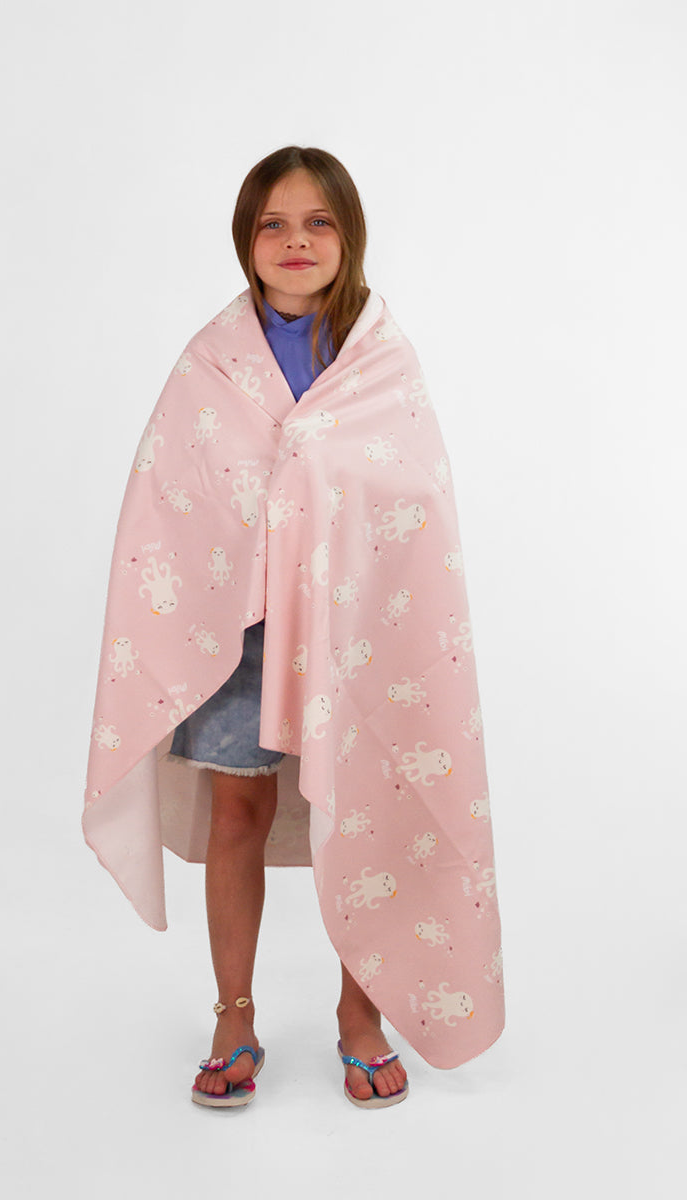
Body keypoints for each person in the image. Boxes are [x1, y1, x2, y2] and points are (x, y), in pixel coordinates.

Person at [83, 145, 505, 1112]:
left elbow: (412, 500)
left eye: (318, 222)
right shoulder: (211, 363)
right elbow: (170, 498)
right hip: (240, 632)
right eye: (273, 223)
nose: (296, 241)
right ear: (247, 239)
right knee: (239, 812)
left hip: (360, 629)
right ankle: (234, 1015)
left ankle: (363, 1014)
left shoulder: (378, 360)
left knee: (369, 813)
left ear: (349, 236)